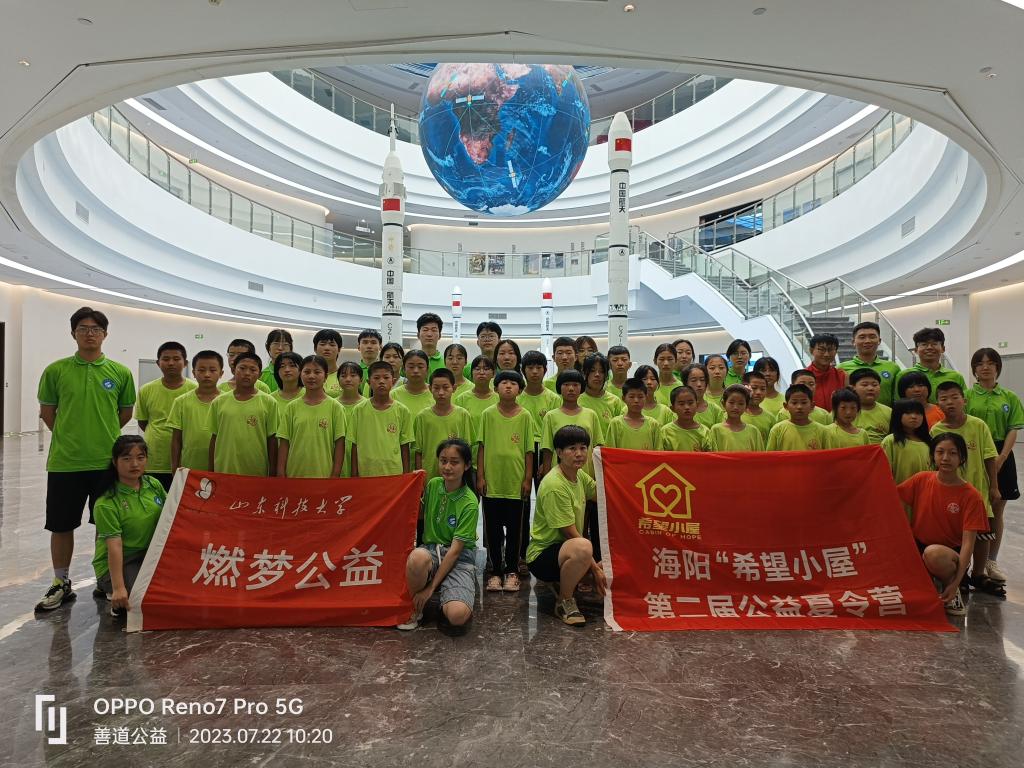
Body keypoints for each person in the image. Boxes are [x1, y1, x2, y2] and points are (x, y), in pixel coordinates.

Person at [35, 306, 136, 612]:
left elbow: (124, 413)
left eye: (95, 329)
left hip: (105, 463)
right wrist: (70, 436)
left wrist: (101, 436)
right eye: (83, 329)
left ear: (105, 334)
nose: (89, 334)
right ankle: (61, 581)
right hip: (65, 462)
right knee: (61, 524)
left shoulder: (120, 372)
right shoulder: (56, 371)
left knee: (105, 525)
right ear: (73, 334)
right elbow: (48, 413)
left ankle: (104, 580)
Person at [897, 433, 989, 616]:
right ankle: (930, 582)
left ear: (962, 458)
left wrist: (956, 583)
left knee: (934, 554)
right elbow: (889, 496)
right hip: (918, 547)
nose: (945, 458)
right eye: (940, 452)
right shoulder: (921, 479)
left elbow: (968, 544)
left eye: (953, 453)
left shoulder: (971, 496)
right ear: (932, 456)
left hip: (948, 554)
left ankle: (950, 588)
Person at [526, 425, 606, 627]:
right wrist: (594, 569)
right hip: (543, 556)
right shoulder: (555, 485)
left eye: (583, 448)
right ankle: (565, 601)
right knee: (584, 547)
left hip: (565, 550)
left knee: (610, 565)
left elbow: (600, 494)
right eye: (572, 448)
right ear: (559, 453)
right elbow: (570, 533)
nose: (579, 453)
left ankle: (569, 578)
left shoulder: (578, 475)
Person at [398, 439, 478, 631]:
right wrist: (411, 483)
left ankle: (450, 593)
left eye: (454, 462)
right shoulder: (434, 485)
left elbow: (455, 552)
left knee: (457, 617)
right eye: (443, 461)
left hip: (459, 559)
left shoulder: (469, 503)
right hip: (432, 552)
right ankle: (415, 607)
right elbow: (414, 510)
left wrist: (430, 588)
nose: (447, 467)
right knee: (417, 558)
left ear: (467, 465)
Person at [931, 381, 1002, 597]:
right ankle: (958, 575)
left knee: (982, 534)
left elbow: (990, 457)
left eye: (955, 397)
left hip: (978, 491)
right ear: (938, 404)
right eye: (944, 399)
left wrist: (994, 486)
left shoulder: (978, 425)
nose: (950, 402)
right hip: (950, 492)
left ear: (964, 400)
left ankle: (979, 574)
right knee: (955, 534)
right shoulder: (936, 430)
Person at [965, 347, 1023, 585]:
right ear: (974, 369)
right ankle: (966, 563)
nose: (985, 367)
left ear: (998, 367)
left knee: (997, 509)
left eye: (990, 363)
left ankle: (991, 561)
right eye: (980, 364)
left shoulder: (1009, 397)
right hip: (973, 451)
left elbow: (1013, 428)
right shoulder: (967, 396)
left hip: (1002, 452)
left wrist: (1002, 457)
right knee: (970, 507)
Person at [91, 435, 165, 618]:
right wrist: (119, 588)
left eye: (140, 457)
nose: (135, 464)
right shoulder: (106, 503)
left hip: (149, 554)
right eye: (127, 458)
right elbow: (114, 546)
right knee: (147, 596)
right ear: (115, 462)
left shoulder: (153, 484)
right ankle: (111, 590)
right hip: (121, 560)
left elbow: (171, 513)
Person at [478, 370, 535, 592]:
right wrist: (480, 476)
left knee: (515, 531)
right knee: (492, 531)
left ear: (520, 389)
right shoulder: (488, 414)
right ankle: (495, 571)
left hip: (515, 484)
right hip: (492, 484)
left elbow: (529, 451)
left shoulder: (525, 416)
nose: (508, 386)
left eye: (513, 383)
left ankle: (512, 570)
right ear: (496, 388)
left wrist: (527, 479)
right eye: (503, 382)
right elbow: (482, 447)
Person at [136, 341, 196, 490]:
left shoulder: (195, 389)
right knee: (155, 501)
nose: (171, 363)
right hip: (155, 459)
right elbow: (143, 422)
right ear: (158, 363)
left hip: (186, 458)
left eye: (176, 359)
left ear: (185, 363)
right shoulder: (146, 390)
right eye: (166, 359)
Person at [209, 352, 278, 477]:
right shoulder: (219, 402)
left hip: (256, 471)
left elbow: (272, 440)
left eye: (253, 370)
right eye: (242, 368)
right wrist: (211, 471)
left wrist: (273, 472)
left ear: (259, 374)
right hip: (224, 469)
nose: (247, 373)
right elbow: (214, 437)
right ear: (233, 370)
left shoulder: (269, 402)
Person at [277, 355, 346, 478]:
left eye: (317, 372)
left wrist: (335, 475)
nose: (311, 376)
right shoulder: (291, 407)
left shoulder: (336, 407)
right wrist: (281, 473)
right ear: (300, 374)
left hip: (324, 476)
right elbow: (284, 443)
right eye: (307, 372)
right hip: (294, 475)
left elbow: (340, 445)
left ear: (325, 376)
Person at [349, 361, 414, 477]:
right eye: (376, 378)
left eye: (386, 377)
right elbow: (354, 446)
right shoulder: (359, 410)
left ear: (393, 381)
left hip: (394, 473)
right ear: (368, 382)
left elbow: (405, 447)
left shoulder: (402, 411)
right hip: (366, 473)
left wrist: (405, 477)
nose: (381, 381)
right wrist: (354, 476)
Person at [539, 370, 605, 481]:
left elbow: (598, 448)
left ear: (581, 387)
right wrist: (546, 478)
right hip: (559, 477)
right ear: (559, 387)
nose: (571, 388)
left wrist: (597, 478)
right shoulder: (550, 416)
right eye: (566, 384)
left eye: (575, 385)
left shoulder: (591, 415)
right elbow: (547, 451)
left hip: (587, 475)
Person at [414, 368, 475, 480]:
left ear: (454, 388)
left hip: (456, 477)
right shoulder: (422, 417)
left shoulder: (463, 415)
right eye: (436, 388)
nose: (441, 392)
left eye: (446, 387)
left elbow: (467, 448)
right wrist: (420, 478)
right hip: (429, 476)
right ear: (430, 389)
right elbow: (418, 451)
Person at [169, 350, 223, 473]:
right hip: (189, 468)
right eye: (201, 370)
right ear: (193, 373)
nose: (207, 375)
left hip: (220, 467)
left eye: (212, 370)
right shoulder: (181, 402)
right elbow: (176, 439)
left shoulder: (227, 401)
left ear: (221, 373)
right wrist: (174, 467)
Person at [895, 328, 966, 403]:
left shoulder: (956, 376)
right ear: (916, 350)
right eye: (924, 344)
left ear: (943, 348)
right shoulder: (903, 375)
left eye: (934, 344)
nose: (929, 347)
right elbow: (898, 403)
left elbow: (963, 403)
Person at [837, 322, 901, 406]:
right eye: (862, 337)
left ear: (879, 341)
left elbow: (897, 399)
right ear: (853, 342)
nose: (867, 341)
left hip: (885, 414)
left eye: (872, 337)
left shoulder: (893, 367)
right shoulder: (841, 368)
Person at [881, 399, 932, 485]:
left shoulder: (928, 441)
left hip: (924, 489)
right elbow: (884, 471)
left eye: (918, 413)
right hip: (898, 490)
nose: (914, 416)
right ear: (898, 415)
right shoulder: (891, 440)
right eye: (908, 412)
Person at [766, 384, 828, 451]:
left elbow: (828, 455)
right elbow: (770, 456)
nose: (799, 407)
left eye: (804, 403)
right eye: (794, 403)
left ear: (812, 406)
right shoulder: (777, 430)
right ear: (786, 406)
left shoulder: (823, 431)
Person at [605, 378, 660, 450]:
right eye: (631, 397)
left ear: (646, 398)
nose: (636, 400)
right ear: (623, 398)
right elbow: (609, 452)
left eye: (640, 397)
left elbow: (658, 453)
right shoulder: (616, 424)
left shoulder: (653, 425)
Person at [708, 384, 764, 452]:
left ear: (746, 406)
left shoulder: (754, 431)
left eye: (741, 404)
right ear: (723, 404)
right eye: (731, 403)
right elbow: (713, 456)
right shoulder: (716, 430)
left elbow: (760, 456)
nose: (735, 407)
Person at [658, 385, 712, 452]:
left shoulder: (705, 432)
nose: (687, 407)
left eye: (690, 403)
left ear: (697, 405)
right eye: (681, 404)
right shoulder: (665, 431)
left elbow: (710, 455)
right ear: (673, 408)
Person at [578, 352, 625, 425]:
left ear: (606, 375)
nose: (597, 374)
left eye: (602, 371)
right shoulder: (576, 400)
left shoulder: (615, 401)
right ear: (584, 373)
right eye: (592, 370)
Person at [454, 355, 499, 430]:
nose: (481, 372)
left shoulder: (499, 399)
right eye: (477, 369)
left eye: (486, 369)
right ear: (471, 373)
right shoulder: (461, 399)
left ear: (493, 373)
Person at [336, 361, 364, 478]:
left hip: (361, 462)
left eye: (353, 375)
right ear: (338, 380)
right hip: (336, 462)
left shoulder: (367, 405)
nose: (348, 379)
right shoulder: (332, 405)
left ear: (361, 380)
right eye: (343, 376)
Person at [850, 368, 892, 444]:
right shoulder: (842, 411)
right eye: (864, 385)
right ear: (853, 388)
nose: (870, 388)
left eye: (875, 385)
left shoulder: (889, 412)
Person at [807, 333, 846, 411]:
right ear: (811, 350)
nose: (826, 354)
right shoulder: (803, 377)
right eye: (821, 349)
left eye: (830, 350)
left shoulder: (842, 376)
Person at [392, 349, 434, 419]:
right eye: (411, 367)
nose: (415, 371)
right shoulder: (393, 395)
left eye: (420, 367)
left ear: (427, 369)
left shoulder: (435, 393)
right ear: (404, 369)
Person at [680, 363, 724, 429]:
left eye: (702, 380)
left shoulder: (715, 410)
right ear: (685, 383)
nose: (699, 384)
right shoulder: (679, 409)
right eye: (694, 380)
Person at [741, 371, 775, 442]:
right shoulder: (734, 415)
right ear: (745, 388)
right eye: (754, 388)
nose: (758, 392)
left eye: (763, 389)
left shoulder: (770, 418)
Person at [259, 328, 294, 393]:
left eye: (285, 344)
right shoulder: (261, 375)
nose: (280, 348)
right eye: (276, 344)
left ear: (290, 348)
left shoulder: (298, 373)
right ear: (268, 347)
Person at [313, 329, 344, 398]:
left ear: (339, 349)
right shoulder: (307, 375)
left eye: (332, 345)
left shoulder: (345, 375)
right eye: (322, 344)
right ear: (315, 348)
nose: (327, 348)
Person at [356, 329, 382, 396]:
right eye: (365, 342)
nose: (369, 346)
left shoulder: (387, 371)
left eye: (373, 342)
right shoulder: (354, 371)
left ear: (380, 347)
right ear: (358, 347)